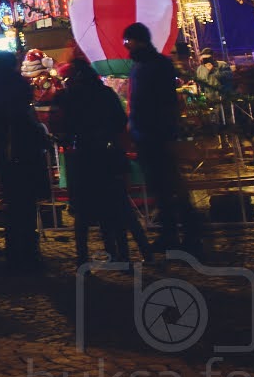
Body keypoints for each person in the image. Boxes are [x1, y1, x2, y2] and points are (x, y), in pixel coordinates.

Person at [50, 57, 150, 264]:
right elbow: (121, 120)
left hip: (83, 156)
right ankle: (125, 254)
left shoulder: (68, 97)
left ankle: (83, 258)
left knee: (83, 213)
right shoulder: (105, 94)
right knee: (118, 208)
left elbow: (61, 126)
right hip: (109, 153)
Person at [126, 22, 202, 257]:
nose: (127, 46)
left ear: (138, 41)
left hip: (157, 134)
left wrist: (148, 124)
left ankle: (190, 234)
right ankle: (171, 233)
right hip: (148, 134)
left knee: (170, 185)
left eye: (128, 41)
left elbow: (155, 101)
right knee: (161, 188)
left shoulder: (153, 65)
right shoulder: (143, 65)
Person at [0, 50, 50, 269]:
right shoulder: (15, 85)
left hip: (4, 150)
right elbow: (23, 116)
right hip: (21, 148)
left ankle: (14, 252)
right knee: (25, 203)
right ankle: (27, 251)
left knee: (12, 201)